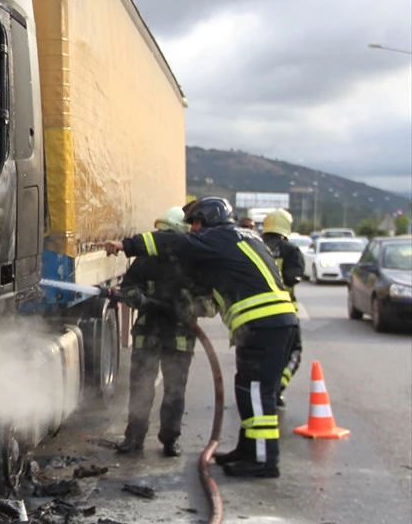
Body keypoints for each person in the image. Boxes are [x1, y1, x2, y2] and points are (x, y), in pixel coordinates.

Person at [101, 197, 298, 479]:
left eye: (195, 223)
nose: (193, 230)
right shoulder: (239, 238)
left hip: (264, 324)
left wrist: (127, 245)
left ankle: (263, 460)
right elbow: (208, 287)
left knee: (256, 393)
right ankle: (248, 451)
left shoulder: (219, 238)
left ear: (209, 220)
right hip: (268, 325)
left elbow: (181, 246)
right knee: (248, 390)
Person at [115, 206, 211, 458]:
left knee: (175, 390)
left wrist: (189, 308)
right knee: (140, 387)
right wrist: (139, 298)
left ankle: (170, 439)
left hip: (179, 337)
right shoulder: (146, 259)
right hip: (148, 332)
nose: (163, 240)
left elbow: (210, 301)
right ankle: (134, 437)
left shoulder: (195, 264)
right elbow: (129, 287)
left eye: (168, 234)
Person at [261, 210, 305, 406]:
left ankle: (260, 388)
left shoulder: (255, 247)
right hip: (283, 311)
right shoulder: (291, 251)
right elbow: (292, 278)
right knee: (293, 352)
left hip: (252, 311)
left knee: (258, 353)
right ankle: (278, 387)